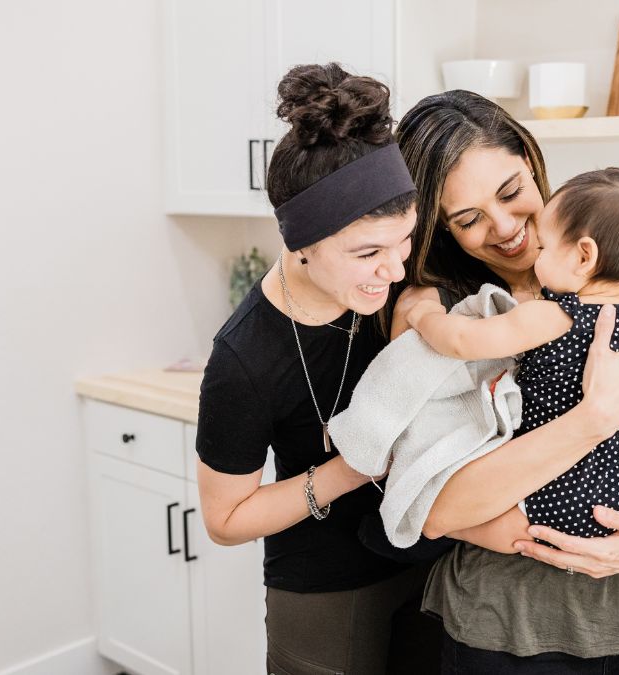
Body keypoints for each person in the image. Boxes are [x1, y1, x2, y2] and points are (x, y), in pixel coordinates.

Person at [388, 90, 619, 673]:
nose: (507, 228)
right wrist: (593, 419)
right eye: (469, 219)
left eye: (511, 192)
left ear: (532, 163)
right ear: (440, 227)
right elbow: (433, 509)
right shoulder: (441, 312)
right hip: (500, 626)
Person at [194, 63, 440, 675]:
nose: (393, 269)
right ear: (301, 242)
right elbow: (225, 520)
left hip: (431, 565)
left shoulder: (393, 287)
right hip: (325, 591)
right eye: (368, 253)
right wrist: (352, 469)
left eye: (404, 241)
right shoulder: (245, 359)